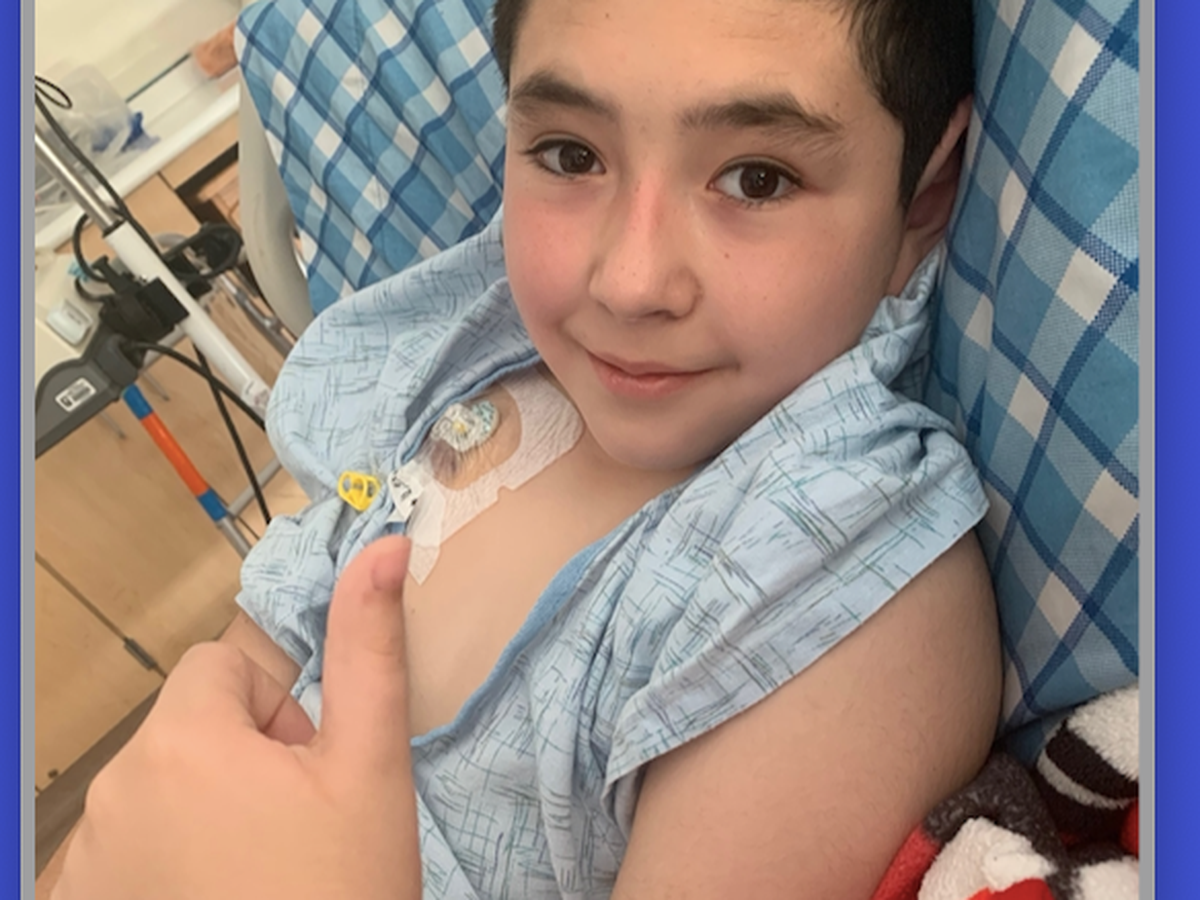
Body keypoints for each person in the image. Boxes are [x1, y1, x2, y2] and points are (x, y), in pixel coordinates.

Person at [46, 0, 1003, 897]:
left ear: (924, 196)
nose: (629, 282)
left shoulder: (842, 572)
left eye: (758, 179)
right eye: (571, 155)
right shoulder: (461, 364)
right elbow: (204, 721)